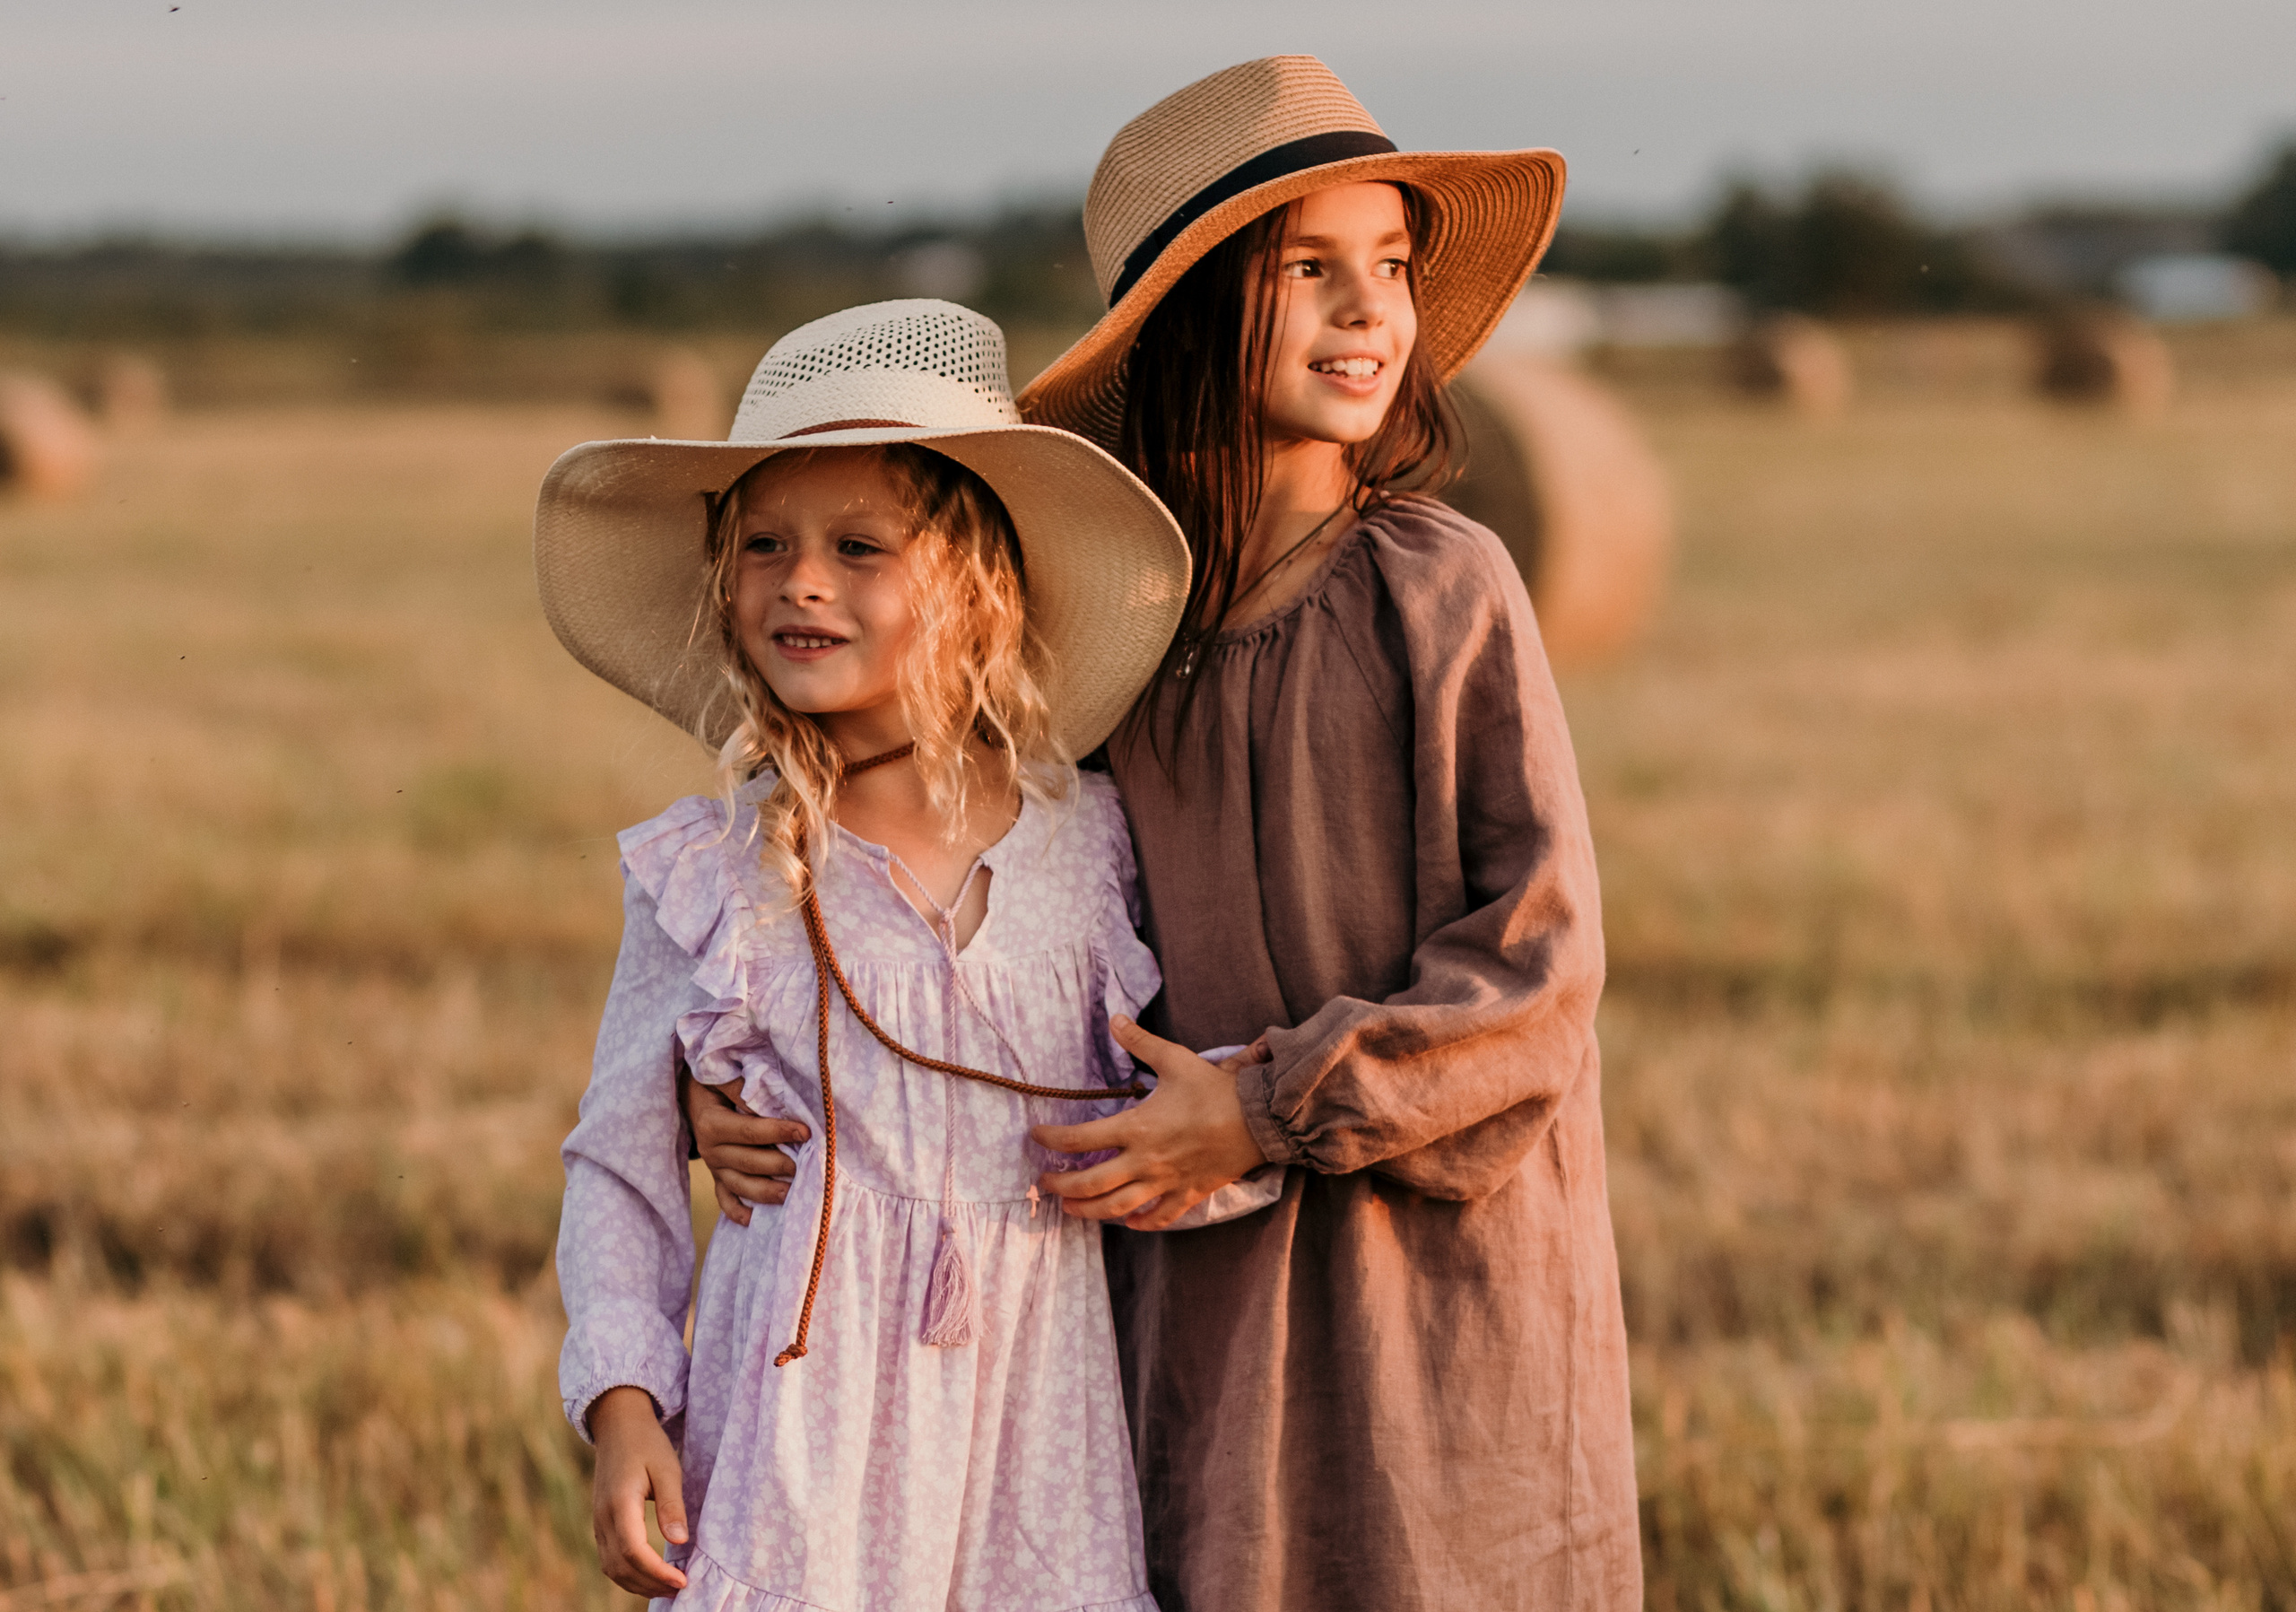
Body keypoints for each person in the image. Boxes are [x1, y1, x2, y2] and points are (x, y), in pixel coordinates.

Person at [698, 57, 1642, 1610]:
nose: (1370, 313)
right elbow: (924, 881)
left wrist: (1272, 1105)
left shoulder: (1444, 583)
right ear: (1199, 310)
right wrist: (721, 1083)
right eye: (1312, 271)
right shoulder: (1120, 638)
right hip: (1190, 1267)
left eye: (1392, 270)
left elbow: (1543, 962)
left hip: (1431, 1259)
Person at [541, 300, 1194, 1610]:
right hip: (797, 1428)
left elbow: (1175, 1098)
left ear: (975, 587)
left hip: (1036, 1428)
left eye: (858, 547)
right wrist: (623, 1403)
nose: (802, 582)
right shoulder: (712, 870)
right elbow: (617, 1162)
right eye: (765, 546)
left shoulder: (1099, 846)